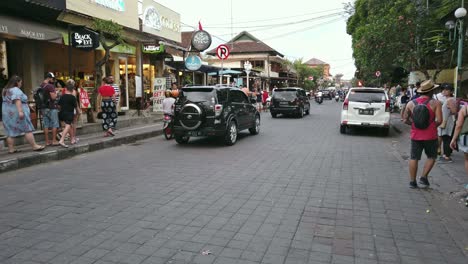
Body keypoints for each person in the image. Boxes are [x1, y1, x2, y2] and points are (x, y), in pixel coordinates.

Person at [403, 80, 442, 189]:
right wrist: (431, 126)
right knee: (431, 156)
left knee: (414, 157)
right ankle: (423, 177)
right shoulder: (436, 103)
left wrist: (414, 125)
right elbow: (439, 120)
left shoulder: (411, 103)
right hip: (431, 136)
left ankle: (412, 182)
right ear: (431, 91)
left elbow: (405, 119)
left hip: (415, 135)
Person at [2, 75, 45, 153]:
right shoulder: (15, 89)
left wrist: (28, 106)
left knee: (10, 131)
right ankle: (34, 146)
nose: (21, 84)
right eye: (20, 82)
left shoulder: (5, 90)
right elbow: (17, 100)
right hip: (17, 112)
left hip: (7, 113)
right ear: (17, 82)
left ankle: (11, 149)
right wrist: (21, 111)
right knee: (27, 129)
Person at [437, 84, 457, 162]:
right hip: (445, 121)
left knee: (446, 138)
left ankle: (447, 157)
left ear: (451, 91)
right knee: (445, 138)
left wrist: (448, 113)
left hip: (448, 122)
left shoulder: (450, 100)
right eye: (443, 89)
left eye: (446, 89)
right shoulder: (447, 99)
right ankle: (446, 155)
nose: (444, 91)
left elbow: (454, 111)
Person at [40, 72, 60, 146]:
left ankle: (47, 141)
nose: (53, 80)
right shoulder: (50, 86)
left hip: (43, 108)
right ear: (49, 78)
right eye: (52, 78)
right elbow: (53, 97)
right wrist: (57, 93)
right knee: (54, 124)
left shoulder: (41, 85)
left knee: (46, 125)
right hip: (51, 107)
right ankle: (54, 140)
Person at [57, 81, 78, 148]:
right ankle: (62, 140)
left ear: (66, 89)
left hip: (62, 113)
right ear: (72, 90)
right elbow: (76, 107)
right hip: (69, 113)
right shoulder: (73, 98)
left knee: (69, 126)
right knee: (68, 126)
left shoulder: (62, 97)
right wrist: (78, 113)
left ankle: (72, 139)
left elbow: (59, 106)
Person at [450, 104, 468, 176]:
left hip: (466, 137)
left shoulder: (465, 108)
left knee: (467, 159)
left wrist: (453, 139)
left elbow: (459, 126)